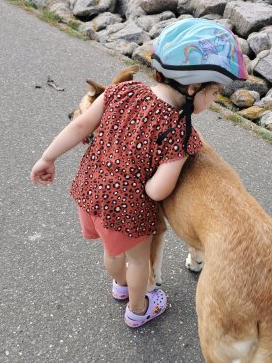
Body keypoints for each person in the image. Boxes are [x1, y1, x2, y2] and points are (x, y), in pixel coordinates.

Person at [30, 18, 248, 328]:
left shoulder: (122, 90)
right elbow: (156, 191)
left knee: (112, 252)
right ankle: (138, 308)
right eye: (213, 93)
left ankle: (119, 285)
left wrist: (47, 158)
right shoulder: (180, 134)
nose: (213, 100)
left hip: (89, 193)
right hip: (126, 213)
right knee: (137, 262)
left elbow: (79, 126)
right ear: (192, 88)